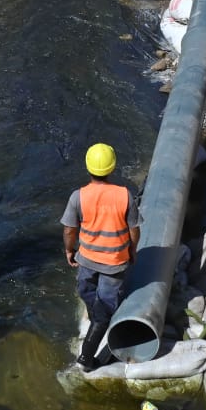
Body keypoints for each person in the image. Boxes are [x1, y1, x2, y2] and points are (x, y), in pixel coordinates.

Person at [61, 143, 141, 371]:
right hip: (115, 264)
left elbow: (69, 230)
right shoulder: (124, 195)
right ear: (112, 168)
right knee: (104, 307)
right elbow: (134, 229)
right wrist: (132, 250)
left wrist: (69, 250)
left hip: (86, 259)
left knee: (87, 293)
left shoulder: (78, 196)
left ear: (87, 167)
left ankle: (87, 353)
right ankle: (91, 345)